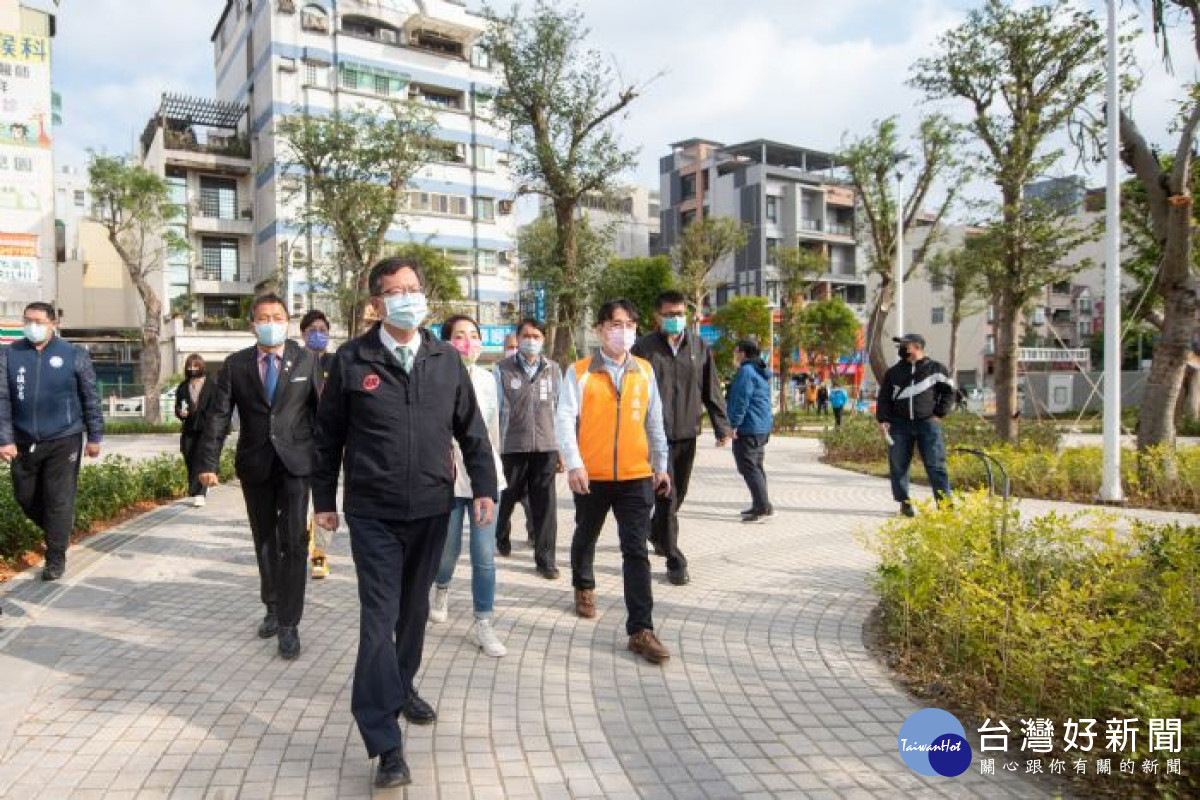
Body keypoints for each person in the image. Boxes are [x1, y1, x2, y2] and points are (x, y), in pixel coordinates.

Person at [311, 256, 497, 789]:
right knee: (379, 618)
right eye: (395, 291)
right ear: (377, 303)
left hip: (432, 508)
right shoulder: (351, 359)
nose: (408, 298)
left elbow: (473, 430)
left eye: (414, 288)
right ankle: (384, 742)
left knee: (413, 614)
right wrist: (324, 499)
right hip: (373, 512)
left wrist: (483, 486)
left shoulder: (444, 359)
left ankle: (402, 683)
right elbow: (327, 440)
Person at [197, 294, 321, 661]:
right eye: (264, 317)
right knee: (264, 539)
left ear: (287, 320)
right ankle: (271, 605)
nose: (271, 322)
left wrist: (325, 462)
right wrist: (208, 462)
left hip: (297, 465)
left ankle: (289, 623)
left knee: (295, 542)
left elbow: (322, 413)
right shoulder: (236, 365)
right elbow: (219, 415)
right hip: (256, 465)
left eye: (278, 316)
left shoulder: (306, 359)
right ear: (253, 324)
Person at [556, 298, 672, 665]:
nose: (623, 331)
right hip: (593, 475)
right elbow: (564, 420)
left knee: (635, 550)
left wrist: (662, 465)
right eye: (615, 325)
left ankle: (641, 629)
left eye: (629, 325)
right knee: (586, 533)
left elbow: (655, 423)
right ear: (600, 330)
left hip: (636, 477)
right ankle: (584, 586)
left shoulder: (645, 371)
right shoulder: (579, 372)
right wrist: (574, 464)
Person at [631, 290, 731, 586]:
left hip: (688, 433)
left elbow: (710, 389)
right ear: (657, 317)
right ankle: (674, 558)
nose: (675, 319)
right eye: (669, 315)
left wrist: (721, 426)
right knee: (667, 495)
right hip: (655, 436)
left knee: (678, 495)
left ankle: (656, 531)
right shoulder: (643, 349)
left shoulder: (698, 346)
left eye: (679, 314)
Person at [0, 302, 104, 581]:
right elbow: (2, 399)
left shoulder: (73, 354)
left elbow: (90, 396)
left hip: (64, 438)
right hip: (22, 442)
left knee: (59, 499)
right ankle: (59, 529)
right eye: (27, 320)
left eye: (38, 321)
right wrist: (5, 439)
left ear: (52, 324)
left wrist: (94, 435)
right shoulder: (9, 354)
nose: (32, 326)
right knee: (25, 497)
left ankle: (55, 556)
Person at [427, 315, 508, 657]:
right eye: (459, 336)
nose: (468, 342)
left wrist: (492, 477)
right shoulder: (432, 378)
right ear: (445, 342)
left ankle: (484, 621)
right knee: (446, 552)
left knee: (484, 556)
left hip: (485, 481)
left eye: (473, 335)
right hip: (447, 481)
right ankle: (441, 587)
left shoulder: (490, 380)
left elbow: (492, 433)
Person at [493, 319, 562, 577]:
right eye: (526, 335)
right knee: (507, 499)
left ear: (543, 339)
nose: (530, 340)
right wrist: (495, 448)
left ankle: (546, 560)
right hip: (512, 447)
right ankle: (500, 535)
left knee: (545, 506)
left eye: (536, 336)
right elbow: (497, 411)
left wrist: (562, 449)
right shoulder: (502, 369)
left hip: (546, 447)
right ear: (518, 338)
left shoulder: (554, 369)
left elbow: (560, 410)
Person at [876, 333, 955, 518]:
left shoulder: (936, 368)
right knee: (898, 466)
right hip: (899, 426)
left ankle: (945, 507)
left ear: (917, 347)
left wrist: (939, 414)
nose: (901, 349)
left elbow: (949, 392)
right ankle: (904, 504)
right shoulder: (894, 372)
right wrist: (883, 419)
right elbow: (884, 398)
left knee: (936, 466)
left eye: (905, 345)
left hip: (928, 424)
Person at [300, 310, 335, 579]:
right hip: (298, 446)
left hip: (328, 447)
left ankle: (319, 556)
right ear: (302, 334)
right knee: (298, 504)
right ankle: (295, 549)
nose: (318, 334)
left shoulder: (337, 363)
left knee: (323, 504)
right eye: (312, 329)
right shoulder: (293, 363)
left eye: (323, 329)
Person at [727, 340, 774, 524]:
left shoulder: (746, 372)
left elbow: (741, 400)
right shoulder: (759, 371)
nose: (734, 356)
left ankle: (762, 508)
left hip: (749, 427)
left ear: (743, 353)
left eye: (735, 352)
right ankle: (762, 504)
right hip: (761, 426)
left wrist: (732, 425)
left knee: (748, 467)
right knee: (756, 466)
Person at [175, 354, 222, 508]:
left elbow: (219, 408)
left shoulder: (212, 385)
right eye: (190, 366)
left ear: (202, 367)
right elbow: (178, 407)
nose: (192, 369)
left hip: (207, 428)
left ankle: (200, 492)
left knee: (202, 459)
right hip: (189, 428)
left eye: (196, 366)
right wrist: (180, 413)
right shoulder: (183, 387)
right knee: (189, 456)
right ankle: (200, 487)